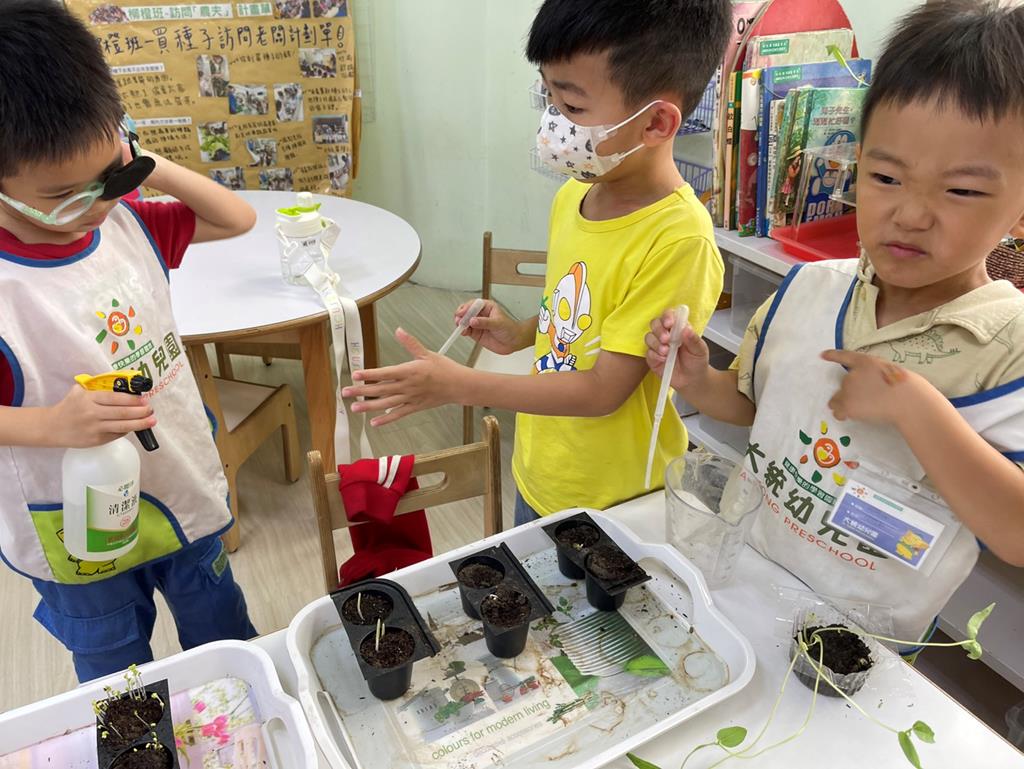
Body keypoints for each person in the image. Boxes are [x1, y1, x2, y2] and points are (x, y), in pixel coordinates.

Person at [646, 0, 1024, 642]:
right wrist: (699, 381)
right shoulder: (811, 289)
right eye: (886, 177)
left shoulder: (1006, 349)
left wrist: (915, 408)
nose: (910, 214)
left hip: (861, 638)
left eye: (961, 190)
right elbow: (755, 405)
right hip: (747, 574)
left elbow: (1014, 536)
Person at [343, 0, 731, 524]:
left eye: (571, 106)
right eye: (547, 97)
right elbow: (579, 316)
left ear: (657, 122)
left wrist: (458, 384)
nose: (553, 124)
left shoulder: (678, 240)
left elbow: (603, 390)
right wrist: (519, 333)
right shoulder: (576, 195)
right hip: (541, 468)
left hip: (614, 499)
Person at [0, 1, 259, 681]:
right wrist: (49, 425)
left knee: (223, 637)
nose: (94, 204)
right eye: (63, 193)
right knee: (119, 672)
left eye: (108, 177)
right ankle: (139, 738)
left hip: (177, 483)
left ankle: (246, 720)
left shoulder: (125, 223)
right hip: (73, 522)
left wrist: (146, 167)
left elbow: (236, 217)